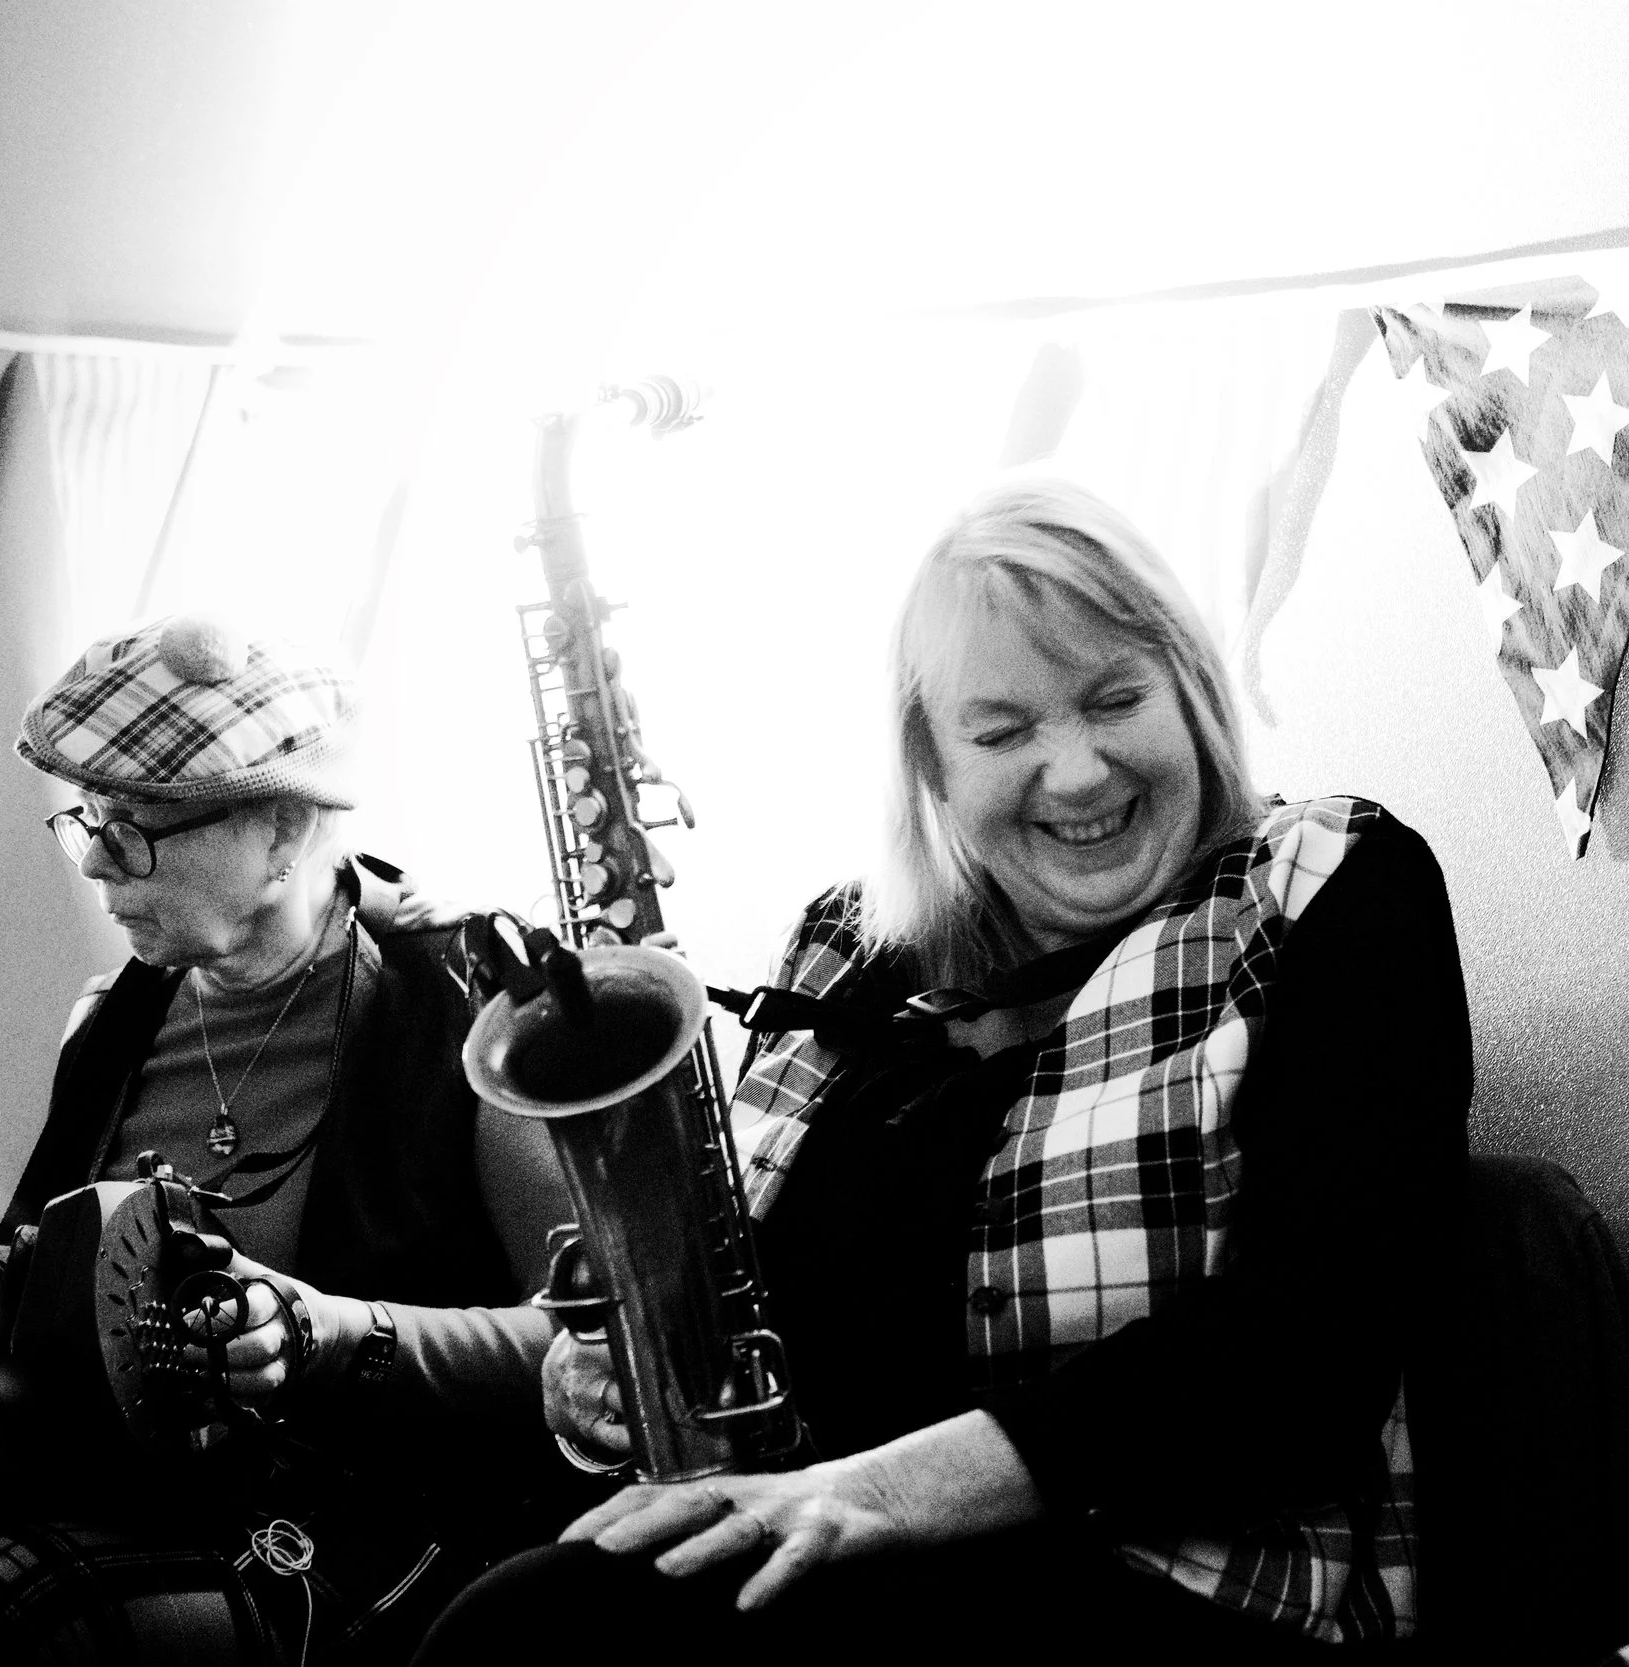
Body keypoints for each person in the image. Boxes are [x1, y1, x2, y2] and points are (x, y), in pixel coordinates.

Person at [416, 480, 1474, 1661]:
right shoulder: (847, 943)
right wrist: (611, 1376)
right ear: (929, 753)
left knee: (528, 1639)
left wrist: (867, 1493)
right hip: (840, 1574)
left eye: (1115, 698)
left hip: (1189, 1607)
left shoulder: (1327, 881)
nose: (1075, 772)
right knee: (507, 1610)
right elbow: (751, 1298)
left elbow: (1302, 1360)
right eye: (1002, 729)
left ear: (1192, 693)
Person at [0, 616, 580, 1665]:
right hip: (148, 1497)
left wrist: (325, 1331)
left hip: (376, 1523)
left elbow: (583, 1341)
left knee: (10, 1611)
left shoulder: (467, 1005)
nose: (95, 862)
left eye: (137, 824)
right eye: (89, 818)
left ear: (284, 831)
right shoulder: (110, 1022)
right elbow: (54, 1311)